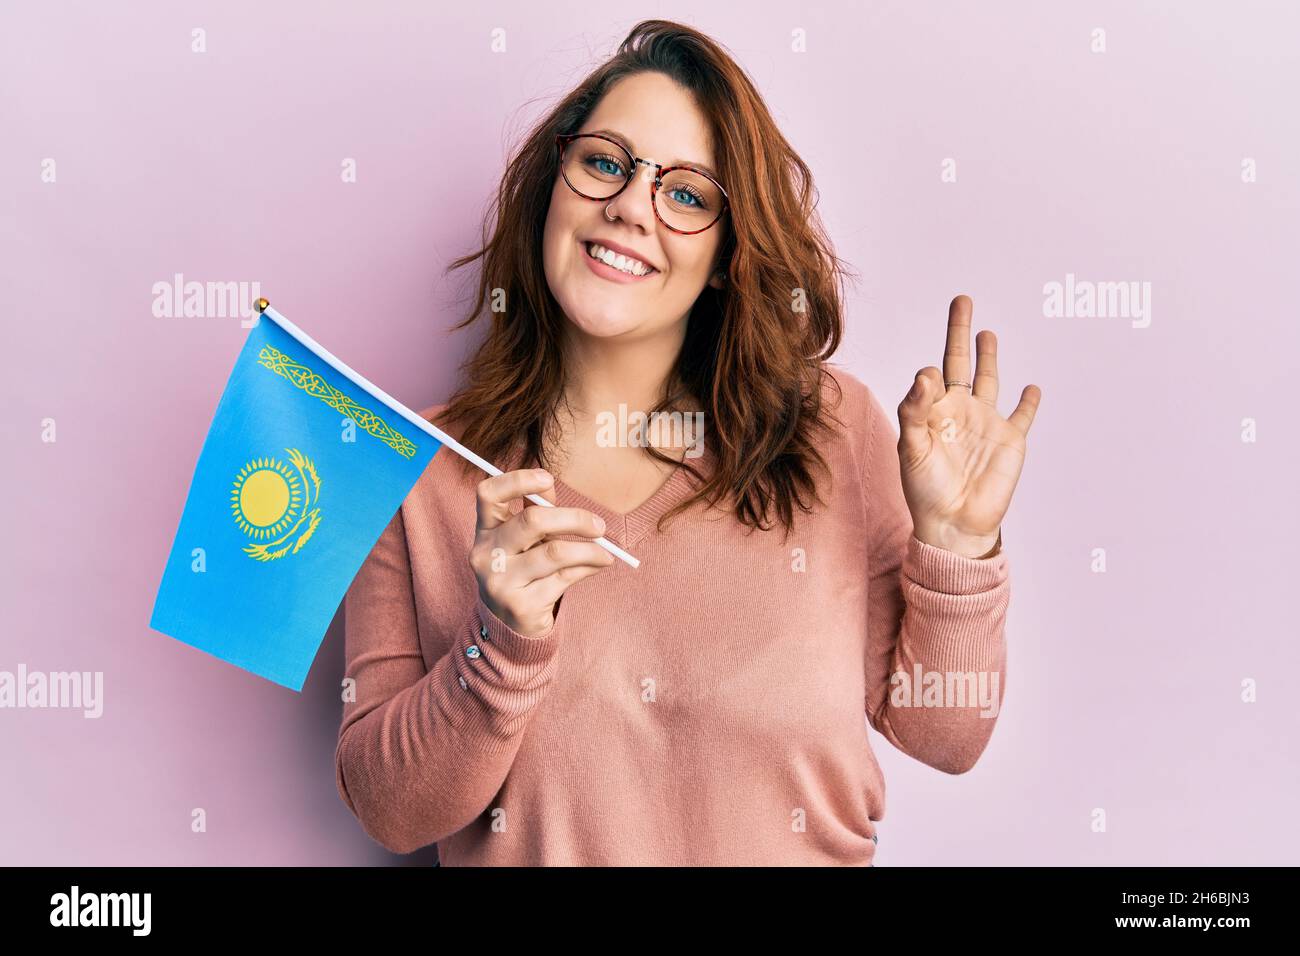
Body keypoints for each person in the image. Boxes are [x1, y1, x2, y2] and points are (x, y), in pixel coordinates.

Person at [334, 19, 1040, 865]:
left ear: (723, 257)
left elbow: (944, 735)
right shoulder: (422, 473)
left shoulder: (832, 431)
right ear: (550, 189)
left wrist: (956, 549)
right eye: (605, 163)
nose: (631, 205)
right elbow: (390, 812)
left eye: (687, 194)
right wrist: (500, 641)